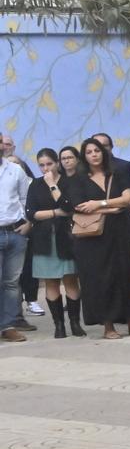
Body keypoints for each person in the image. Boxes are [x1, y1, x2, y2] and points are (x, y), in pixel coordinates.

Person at [69, 137, 130, 339]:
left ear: (104, 152)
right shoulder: (78, 178)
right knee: (101, 279)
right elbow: (79, 205)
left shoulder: (117, 173)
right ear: (84, 156)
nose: (94, 155)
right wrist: (113, 207)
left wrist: (99, 204)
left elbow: (128, 199)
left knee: (126, 274)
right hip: (93, 237)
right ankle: (108, 325)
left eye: (97, 150)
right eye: (89, 152)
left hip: (120, 232)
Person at [24, 148, 81, 339]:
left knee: (70, 278)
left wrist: (52, 186)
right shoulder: (35, 185)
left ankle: (75, 323)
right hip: (44, 238)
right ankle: (59, 325)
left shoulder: (68, 181)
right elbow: (31, 213)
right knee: (51, 281)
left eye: (49, 164)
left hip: (67, 236)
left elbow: (69, 206)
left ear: (57, 163)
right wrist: (55, 212)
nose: (45, 168)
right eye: (41, 165)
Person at [0, 141, 28, 342]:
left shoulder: (15, 169)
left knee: (11, 282)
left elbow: (26, 198)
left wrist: (28, 223)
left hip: (15, 232)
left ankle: (8, 325)